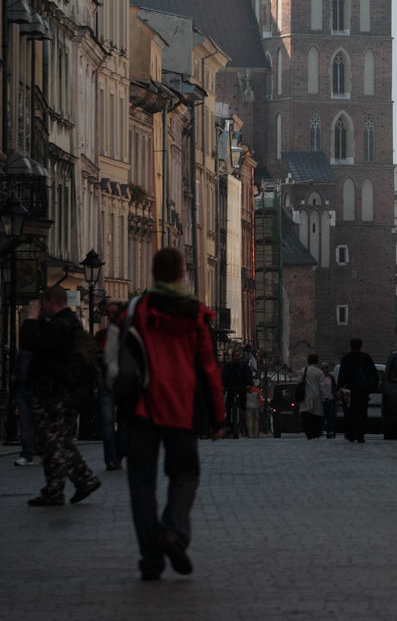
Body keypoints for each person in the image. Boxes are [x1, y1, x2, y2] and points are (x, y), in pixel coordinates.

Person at [122, 247, 224, 581]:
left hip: (142, 405)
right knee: (185, 475)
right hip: (181, 406)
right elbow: (209, 368)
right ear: (182, 273)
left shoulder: (138, 309)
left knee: (141, 483)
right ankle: (173, 531)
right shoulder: (195, 315)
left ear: (153, 273)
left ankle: (150, 560)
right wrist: (217, 418)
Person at [19, 284, 102, 506]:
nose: (42, 308)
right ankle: (77, 481)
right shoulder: (68, 324)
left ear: (51, 302)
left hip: (55, 393)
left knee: (52, 441)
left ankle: (63, 486)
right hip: (61, 391)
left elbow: (32, 341)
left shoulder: (59, 326)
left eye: (44, 304)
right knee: (54, 441)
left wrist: (31, 319)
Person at [96, 302, 123, 469]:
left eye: (114, 313)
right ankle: (111, 459)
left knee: (125, 425)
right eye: (109, 313)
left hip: (125, 386)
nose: (111, 317)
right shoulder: (101, 336)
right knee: (106, 423)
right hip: (106, 386)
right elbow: (95, 359)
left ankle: (118, 454)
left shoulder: (128, 335)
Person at [336, 337, 379, 443]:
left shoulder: (346, 358)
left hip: (348, 391)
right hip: (362, 391)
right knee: (361, 413)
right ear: (361, 346)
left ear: (351, 346)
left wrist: (339, 388)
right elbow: (374, 375)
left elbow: (341, 376)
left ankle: (350, 434)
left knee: (349, 413)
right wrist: (370, 388)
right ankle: (360, 434)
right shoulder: (366, 358)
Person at [13, 345, 38, 466]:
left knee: (38, 422)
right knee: (25, 422)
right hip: (23, 386)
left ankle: (39, 451)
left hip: (39, 388)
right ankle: (27, 454)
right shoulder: (25, 347)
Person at [222, 346, 251, 437]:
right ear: (232, 357)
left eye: (237, 356)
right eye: (234, 356)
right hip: (230, 388)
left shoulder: (244, 365)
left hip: (241, 388)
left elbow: (248, 375)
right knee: (228, 406)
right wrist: (223, 385)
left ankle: (244, 424)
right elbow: (223, 376)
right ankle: (229, 424)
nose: (236, 358)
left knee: (243, 406)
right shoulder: (227, 366)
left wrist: (248, 384)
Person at [300, 354, 325, 439]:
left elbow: (299, 382)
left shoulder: (304, 370)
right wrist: (324, 397)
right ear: (317, 361)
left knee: (306, 417)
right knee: (316, 416)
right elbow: (322, 386)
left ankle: (308, 433)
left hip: (306, 396)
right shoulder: (319, 372)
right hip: (317, 396)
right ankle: (315, 432)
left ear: (308, 361)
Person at [320, 362, 337, 438]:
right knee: (323, 416)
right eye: (324, 368)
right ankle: (321, 431)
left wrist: (335, 396)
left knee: (331, 416)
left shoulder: (331, 377)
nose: (325, 369)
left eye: (326, 368)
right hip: (322, 399)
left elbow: (334, 388)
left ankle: (330, 431)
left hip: (331, 399)